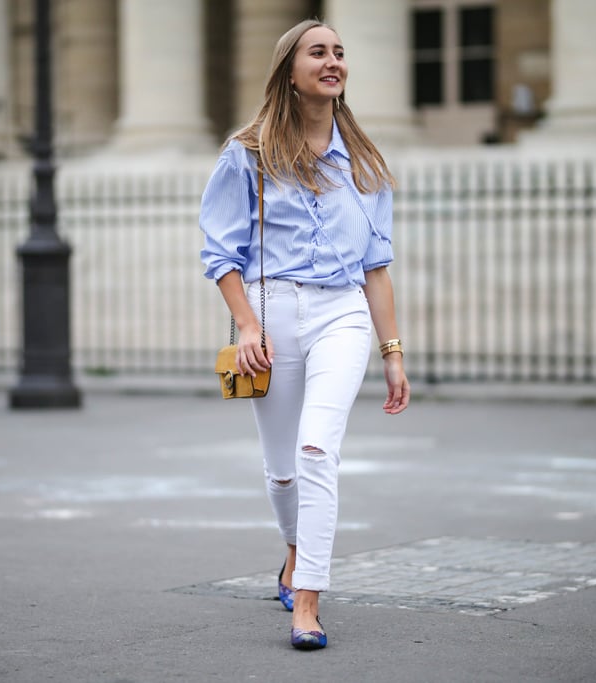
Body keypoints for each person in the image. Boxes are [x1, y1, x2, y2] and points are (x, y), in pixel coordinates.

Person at [199, 18, 410, 651]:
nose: (333, 60)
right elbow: (221, 252)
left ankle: (308, 601)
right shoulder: (248, 152)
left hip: (342, 314)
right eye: (318, 51)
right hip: (275, 319)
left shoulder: (365, 163)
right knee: (281, 469)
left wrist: (392, 353)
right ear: (289, 72)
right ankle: (294, 554)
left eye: (340, 52)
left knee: (317, 451)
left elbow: (376, 268)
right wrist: (246, 325)